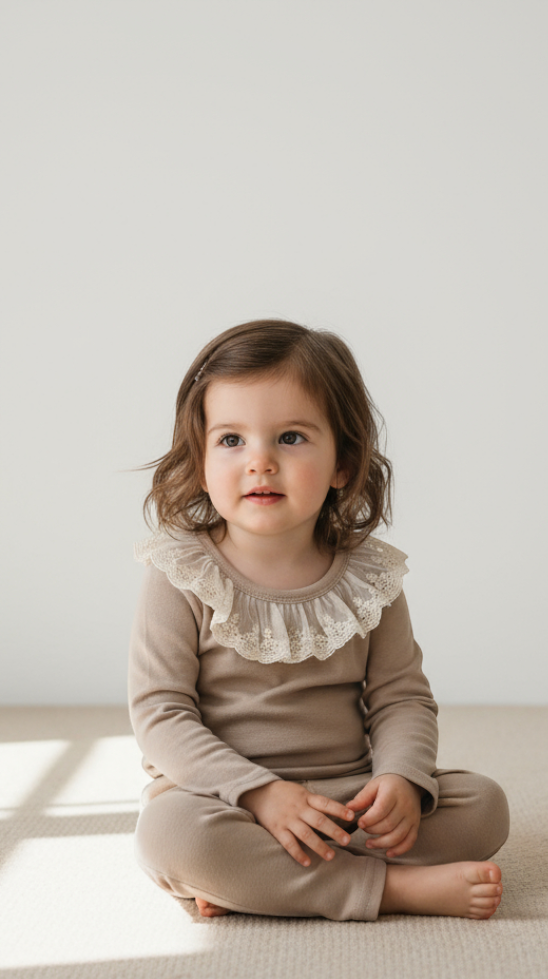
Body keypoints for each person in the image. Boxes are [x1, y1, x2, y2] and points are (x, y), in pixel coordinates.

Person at [128, 319, 509, 921]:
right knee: (175, 836)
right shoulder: (181, 572)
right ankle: (390, 890)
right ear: (199, 460)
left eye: (291, 438)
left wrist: (401, 781)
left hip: (345, 798)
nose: (260, 462)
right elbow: (160, 714)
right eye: (231, 440)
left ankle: (257, 881)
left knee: (484, 806)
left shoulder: (368, 577)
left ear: (342, 463)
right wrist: (262, 794)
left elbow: (401, 699)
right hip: (228, 801)